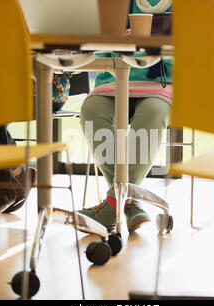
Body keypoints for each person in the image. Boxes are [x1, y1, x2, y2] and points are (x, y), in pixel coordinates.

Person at [78, 0, 173, 233]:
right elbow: (97, 49)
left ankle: (112, 203)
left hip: (162, 83)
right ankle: (128, 202)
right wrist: (117, 40)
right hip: (115, 77)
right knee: (92, 110)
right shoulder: (118, 4)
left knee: (152, 113)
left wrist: (154, 45)